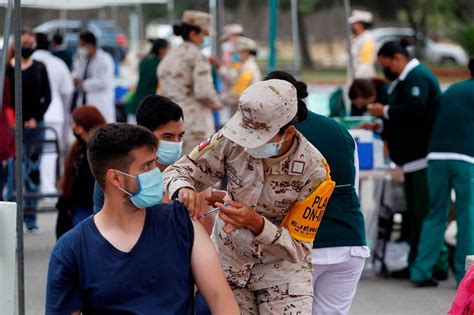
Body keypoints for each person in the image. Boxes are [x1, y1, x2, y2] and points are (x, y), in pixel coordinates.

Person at [164, 80, 331, 314]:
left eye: (259, 138)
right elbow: (178, 170)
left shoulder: (314, 171)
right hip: (229, 267)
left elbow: (299, 247)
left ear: (288, 132)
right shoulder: (232, 140)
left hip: (282, 278)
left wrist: (256, 223)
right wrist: (184, 189)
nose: (248, 143)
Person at [45, 123, 239, 314]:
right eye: (146, 166)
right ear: (115, 178)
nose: (156, 173)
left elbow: (219, 297)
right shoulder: (72, 249)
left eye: (155, 162)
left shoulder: (182, 222)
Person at [265, 71, 369, 314]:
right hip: (349, 242)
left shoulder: (275, 135)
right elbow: (354, 186)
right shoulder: (340, 130)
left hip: (299, 245)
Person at [367, 40, 448, 279]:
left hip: (422, 159)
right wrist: (382, 123)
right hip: (411, 160)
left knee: (425, 215)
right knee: (414, 214)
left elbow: (415, 109)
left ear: (397, 59)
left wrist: (386, 112)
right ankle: (417, 262)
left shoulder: (417, 78)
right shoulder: (406, 80)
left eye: (386, 65)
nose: (387, 71)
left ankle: (434, 265)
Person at [410, 59, 474, 286]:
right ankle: (464, 276)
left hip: (436, 157)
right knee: (467, 215)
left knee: (435, 213)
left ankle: (421, 271)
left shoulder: (454, 89)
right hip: (466, 159)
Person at [92, 95, 186, 211]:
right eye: (167, 136)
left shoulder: (187, 170)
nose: (176, 143)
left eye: (180, 136)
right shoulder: (121, 170)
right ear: (146, 133)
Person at [6, 27, 51, 232]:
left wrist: (36, 118)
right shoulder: (7, 68)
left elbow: (47, 97)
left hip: (36, 126)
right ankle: (12, 220)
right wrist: (13, 119)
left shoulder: (40, 67)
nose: (28, 47)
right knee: (15, 174)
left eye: (31, 44)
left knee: (33, 172)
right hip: (13, 127)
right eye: (24, 44)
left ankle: (31, 220)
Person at [158, 10, 221, 155]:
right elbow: (204, 92)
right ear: (193, 33)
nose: (206, 38)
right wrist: (217, 103)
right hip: (196, 125)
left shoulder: (170, 56)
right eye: (204, 34)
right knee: (200, 170)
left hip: (172, 123)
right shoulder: (197, 56)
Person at [55, 106, 106, 239]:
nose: (73, 127)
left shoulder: (103, 149)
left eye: (75, 123)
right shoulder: (77, 149)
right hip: (79, 208)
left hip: (95, 206)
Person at [33, 32, 74, 194]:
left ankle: (29, 187)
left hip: (28, 114)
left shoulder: (22, 62)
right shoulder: (57, 63)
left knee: (27, 152)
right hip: (54, 113)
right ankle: (47, 188)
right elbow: (68, 90)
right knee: (49, 153)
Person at [72, 31, 115, 123]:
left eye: (82, 45)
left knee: (102, 129)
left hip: (100, 101)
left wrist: (82, 83)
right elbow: (76, 72)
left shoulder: (104, 59)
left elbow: (103, 82)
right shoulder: (83, 58)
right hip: (84, 100)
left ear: (90, 45)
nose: (81, 48)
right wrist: (75, 78)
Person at [125, 38, 169, 123]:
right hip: (147, 105)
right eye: (167, 49)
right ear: (161, 50)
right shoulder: (160, 64)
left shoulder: (144, 61)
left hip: (135, 102)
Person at [220, 36, 261, 115]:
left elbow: (238, 92)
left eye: (237, 52)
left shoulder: (248, 69)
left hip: (244, 111)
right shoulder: (242, 65)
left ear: (246, 52)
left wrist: (220, 100)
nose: (235, 55)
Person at [348, 10, 376, 79]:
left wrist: (357, 80)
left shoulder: (367, 39)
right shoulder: (355, 38)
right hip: (353, 74)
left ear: (361, 24)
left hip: (363, 77)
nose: (352, 25)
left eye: (355, 23)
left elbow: (365, 63)